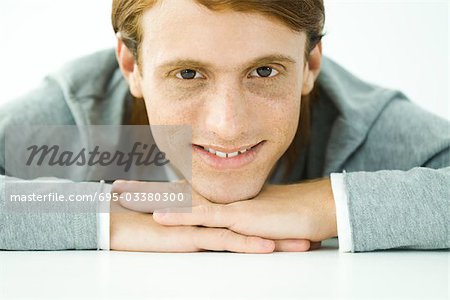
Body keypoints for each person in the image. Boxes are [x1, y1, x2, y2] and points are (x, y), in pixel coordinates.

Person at [0, 0, 448, 253]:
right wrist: (101, 218)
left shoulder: (361, 125)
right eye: (188, 75)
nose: (227, 125)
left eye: (264, 72)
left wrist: (327, 205)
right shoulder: (76, 122)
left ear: (310, 65)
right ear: (131, 66)